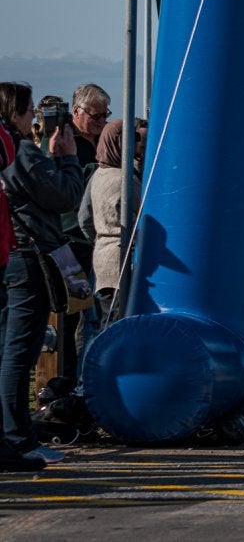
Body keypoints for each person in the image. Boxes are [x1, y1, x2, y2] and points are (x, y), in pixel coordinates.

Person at [0, 82, 84, 470]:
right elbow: (64, 198)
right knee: (20, 354)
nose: (34, 118)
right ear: (13, 112)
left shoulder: (16, 152)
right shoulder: (20, 152)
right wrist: (67, 158)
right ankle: (18, 438)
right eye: (30, 110)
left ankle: (14, 435)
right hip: (28, 256)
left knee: (10, 351)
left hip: (11, 253)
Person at [85, 120, 135, 322]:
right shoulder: (124, 178)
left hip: (101, 256)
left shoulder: (98, 175)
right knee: (118, 321)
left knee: (106, 319)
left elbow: (84, 218)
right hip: (120, 258)